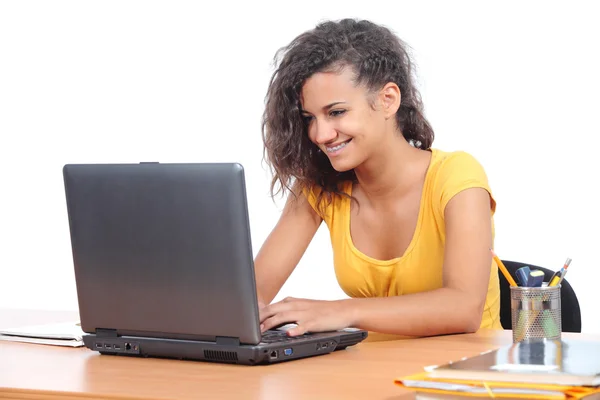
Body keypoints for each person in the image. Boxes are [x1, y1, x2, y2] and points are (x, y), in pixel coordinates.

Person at [255, 18, 501, 339]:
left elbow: (463, 308)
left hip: (463, 376)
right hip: (375, 375)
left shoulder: (456, 176)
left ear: (387, 100)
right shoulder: (319, 188)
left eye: (337, 112)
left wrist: (341, 311)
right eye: (309, 118)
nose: (320, 133)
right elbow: (251, 296)